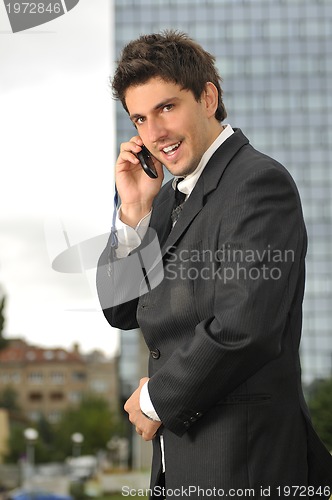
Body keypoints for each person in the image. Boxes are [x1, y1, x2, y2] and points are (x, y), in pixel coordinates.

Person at [97, 31, 332, 499]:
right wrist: (134, 214)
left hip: (246, 464)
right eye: (140, 118)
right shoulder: (162, 201)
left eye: (167, 108)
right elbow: (121, 311)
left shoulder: (258, 183)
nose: (155, 133)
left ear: (208, 97)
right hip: (184, 463)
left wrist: (153, 399)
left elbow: (244, 327)